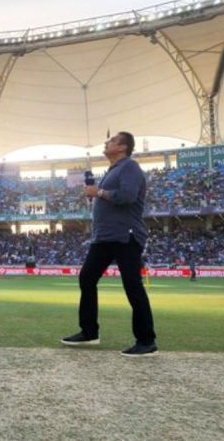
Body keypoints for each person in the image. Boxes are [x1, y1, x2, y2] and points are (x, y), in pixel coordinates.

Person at [61, 132, 157, 357]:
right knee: (87, 278)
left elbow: (128, 196)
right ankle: (89, 332)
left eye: (111, 141)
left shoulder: (129, 167)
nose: (106, 143)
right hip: (104, 237)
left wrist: (99, 192)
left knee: (132, 285)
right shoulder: (112, 170)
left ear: (122, 147)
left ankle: (146, 340)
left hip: (125, 235)